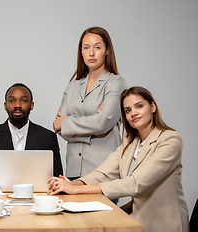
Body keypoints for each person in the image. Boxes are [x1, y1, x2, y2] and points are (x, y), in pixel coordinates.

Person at [48, 86, 189, 232]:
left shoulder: (170, 140)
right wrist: (72, 184)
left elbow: (134, 184)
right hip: (135, 219)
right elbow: (104, 173)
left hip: (164, 224)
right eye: (128, 110)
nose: (133, 113)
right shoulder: (129, 141)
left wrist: (77, 190)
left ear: (153, 106)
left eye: (139, 106)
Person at [53, 26, 126, 180]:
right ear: (81, 51)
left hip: (103, 172)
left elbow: (102, 122)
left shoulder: (115, 83)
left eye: (97, 47)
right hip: (73, 171)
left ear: (107, 50)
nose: (91, 53)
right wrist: (93, 127)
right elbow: (57, 126)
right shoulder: (72, 86)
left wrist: (68, 124)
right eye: (86, 48)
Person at [0, 83, 63, 180]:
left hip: (37, 194)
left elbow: (57, 177)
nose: (17, 105)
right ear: (5, 105)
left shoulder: (47, 138)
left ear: (31, 105)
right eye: (11, 100)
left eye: (23, 100)